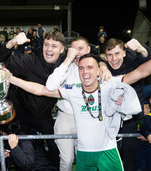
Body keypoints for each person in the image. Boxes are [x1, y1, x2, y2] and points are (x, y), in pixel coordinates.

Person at [4, 33, 151, 170]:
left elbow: (143, 71)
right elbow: (41, 89)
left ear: (99, 70)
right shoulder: (73, 92)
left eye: (90, 67)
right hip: (84, 155)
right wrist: (11, 79)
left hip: (108, 153)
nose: (85, 72)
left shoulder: (109, 84)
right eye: (81, 68)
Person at [0, 30, 69, 170]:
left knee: (56, 147)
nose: (49, 49)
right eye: (47, 44)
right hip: (23, 113)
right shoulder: (31, 60)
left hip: (43, 115)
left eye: (54, 46)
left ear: (62, 49)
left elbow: (89, 57)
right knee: (22, 150)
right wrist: (12, 42)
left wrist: (102, 66)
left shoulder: (66, 64)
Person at [46, 36, 111, 171]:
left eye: (80, 49)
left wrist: (103, 66)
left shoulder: (97, 68)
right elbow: (50, 86)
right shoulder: (65, 68)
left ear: (88, 49)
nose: (77, 52)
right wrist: (68, 59)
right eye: (74, 49)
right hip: (66, 117)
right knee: (67, 159)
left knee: (85, 158)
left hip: (88, 117)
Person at [103, 37, 151, 170]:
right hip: (109, 118)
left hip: (131, 119)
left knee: (130, 155)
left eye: (117, 54)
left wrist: (142, 49)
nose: (114, 59)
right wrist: (102, 66)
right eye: (109, 55)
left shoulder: (133, 61)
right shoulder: (103, 68)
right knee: (108, 155)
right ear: (105, 56)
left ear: (124, 53)